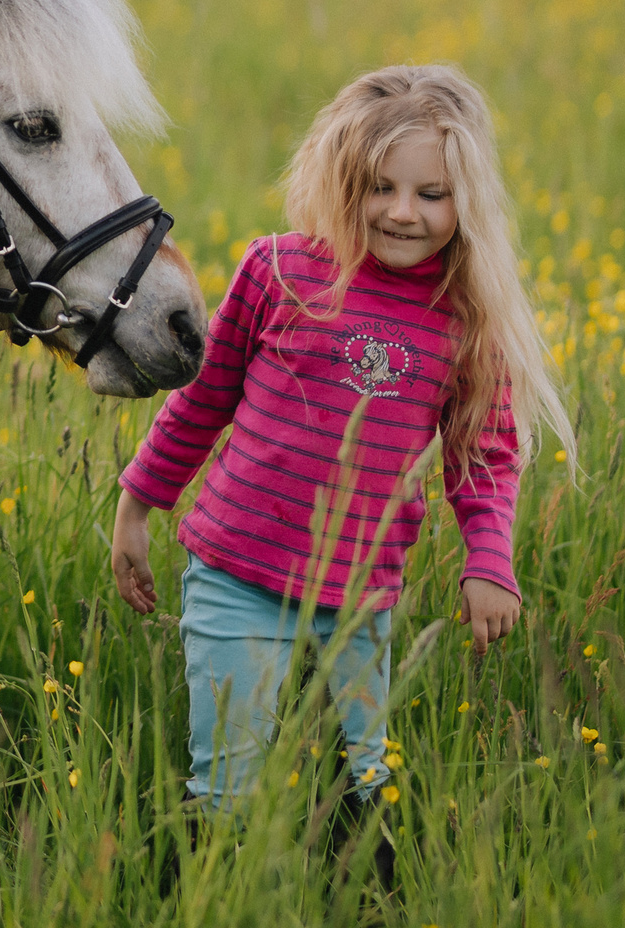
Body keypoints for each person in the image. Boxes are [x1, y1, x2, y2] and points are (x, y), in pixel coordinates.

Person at [109, 65, 572, 885]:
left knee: (363, 777)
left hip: (360, 593)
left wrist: (488, 560)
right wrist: (138, 503)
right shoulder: (279, 270)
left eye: (431, 193)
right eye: (380, 187)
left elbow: (484, 454)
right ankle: (191, 921)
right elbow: (203, 400)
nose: (403, 211)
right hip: (236, 574)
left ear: (467, 200)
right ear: (342, 180)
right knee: (230, 780)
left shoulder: (464, 319)